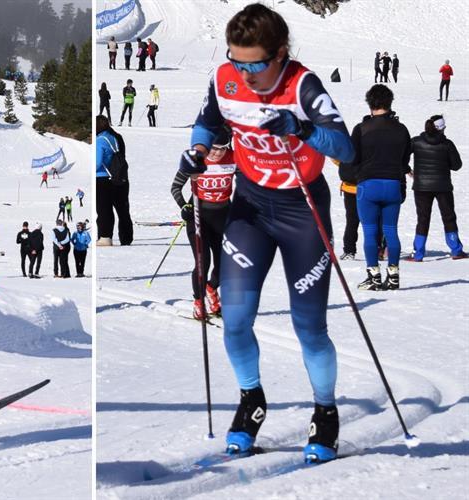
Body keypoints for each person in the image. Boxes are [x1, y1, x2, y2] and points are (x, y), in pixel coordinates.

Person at [184, 3, 355, 462]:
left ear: (280, 53)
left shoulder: (303, 85)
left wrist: (302, 129)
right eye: (238, 61)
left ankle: (325, 410)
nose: (247, 74)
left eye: (256, 64)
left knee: (309, 327)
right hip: (251, 207)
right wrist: (198, 150)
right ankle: (251, 400)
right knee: (235, 319)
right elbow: (209, 121)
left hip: (303, 211)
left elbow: (345, 147)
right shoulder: (225, 78)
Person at [349, 84, 411, 291]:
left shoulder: (361, 129)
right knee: (391, 230)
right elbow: (405, 160)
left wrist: (357, 174)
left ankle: (373, 276)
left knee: (369, 231)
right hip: (393, 183)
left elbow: (352, 158)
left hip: (368, 183)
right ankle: (393, 274)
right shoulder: (401, 129)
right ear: (390, 103)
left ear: (370, 104)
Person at [172, 125, 235, 319]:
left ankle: (211, 288)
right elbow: (175, 187)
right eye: (214, 148)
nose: (217, 153)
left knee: (225, 263)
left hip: (223, 214)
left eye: (222, 148)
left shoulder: (234, 158)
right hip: (199, 216)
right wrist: (184, 206)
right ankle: (199, 302)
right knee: (202, 262)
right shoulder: (195, 160)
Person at [406, 115, 466, 261]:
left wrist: (407, 169)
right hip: (443, 186)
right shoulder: (447, 144)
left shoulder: (416, 141)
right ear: (441, 128)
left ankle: (418, 253)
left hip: (421, 186)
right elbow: (457, 165)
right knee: (449, 217)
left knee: (423, 219)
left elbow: (401, 156)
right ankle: (456, 250)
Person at [95, 115, 133, 246]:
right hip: (120, 177)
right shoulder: (116, 137)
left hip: (103, 179)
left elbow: (98, 162)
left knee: (104, 209)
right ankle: (126, 238)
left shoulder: (100, 140)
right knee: (123, 210)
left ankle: (105, 237)